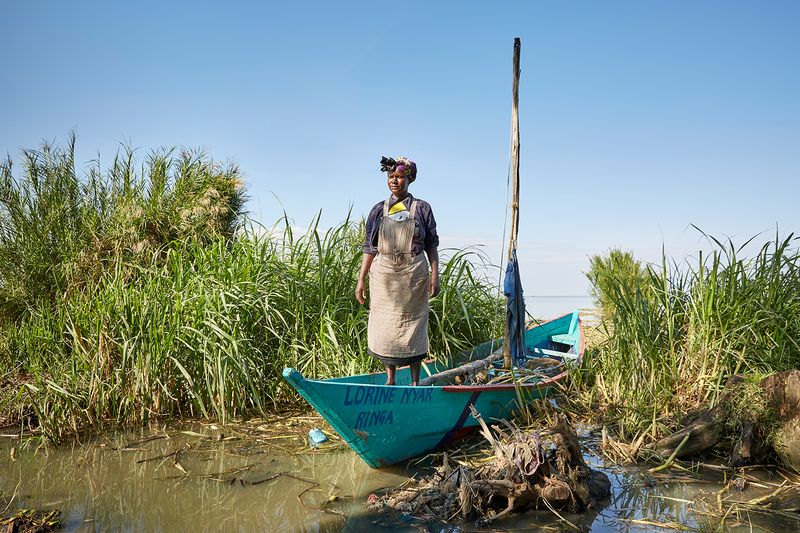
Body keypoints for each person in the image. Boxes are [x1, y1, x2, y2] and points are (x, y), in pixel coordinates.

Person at [355, 156, 440, 386]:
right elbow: (370, 247)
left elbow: (432, 243)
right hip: (384, 277)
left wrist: (435, 275)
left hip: (413, 275)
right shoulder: (378, 210)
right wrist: (361, 279)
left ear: (409, 179)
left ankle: (415, 381)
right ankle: (390, 380)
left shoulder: (422, 208)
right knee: (385, 328)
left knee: (413, 325)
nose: (395, 181)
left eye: (400, 177)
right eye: (391, 177)